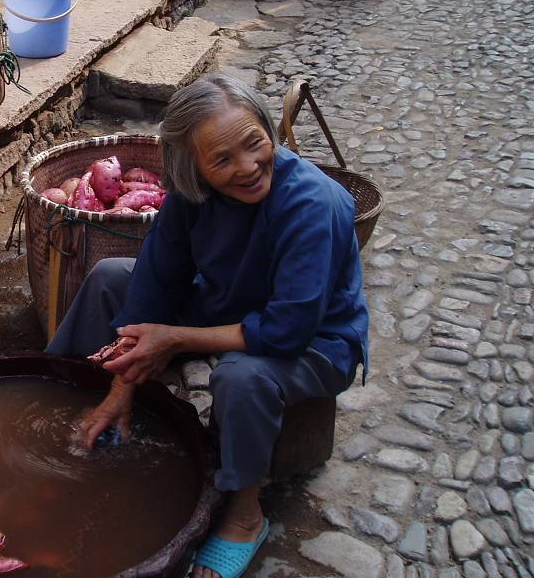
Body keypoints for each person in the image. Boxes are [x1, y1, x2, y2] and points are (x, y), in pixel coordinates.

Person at [46, 75, 369, 578]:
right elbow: (157, 279)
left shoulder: (313, 204)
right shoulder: (191, 194)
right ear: (192, 167)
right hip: (227, 303)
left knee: (242, 377)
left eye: (255, 144)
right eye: (221, 160)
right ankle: (82, 402)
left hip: (317, 340)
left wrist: (172, 339)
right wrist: (121, 384)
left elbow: (287, 331)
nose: (246, 167)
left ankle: (245, 515)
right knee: (111, 277)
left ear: (269, 130)